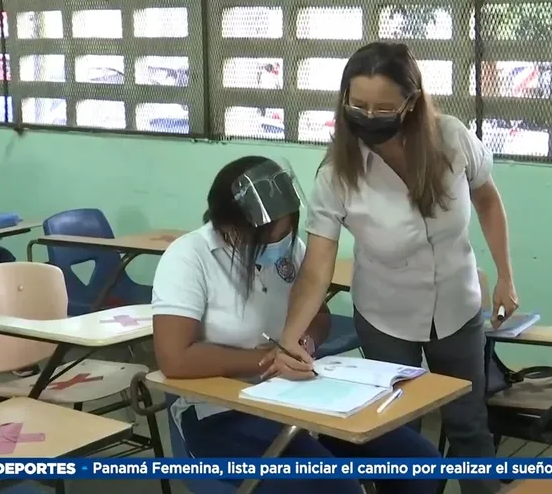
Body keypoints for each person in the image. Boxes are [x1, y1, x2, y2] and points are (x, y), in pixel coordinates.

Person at [275, 42, 519, 494]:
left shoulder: (451, 139)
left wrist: (505, 276)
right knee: (395, 435)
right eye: (358, 105)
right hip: (385, 317)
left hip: (458, 307)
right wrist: (291, 338)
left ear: (412, 101)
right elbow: (317, 267)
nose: (369, 116)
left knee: (469, 427)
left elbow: (487, 198)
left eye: (384, 107)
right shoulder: (336, 174)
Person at [151, 156, 441, 494]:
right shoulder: (189, 258)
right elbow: (174, 359)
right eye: (268, 238)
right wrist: (271, 358)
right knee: (333, 488)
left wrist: (305, 342)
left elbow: (319, 316)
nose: (280, 246)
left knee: (417, 462)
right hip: (221, 412)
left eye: (286, 233)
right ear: (231, 227)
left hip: (298, 398)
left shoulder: (289, 250)